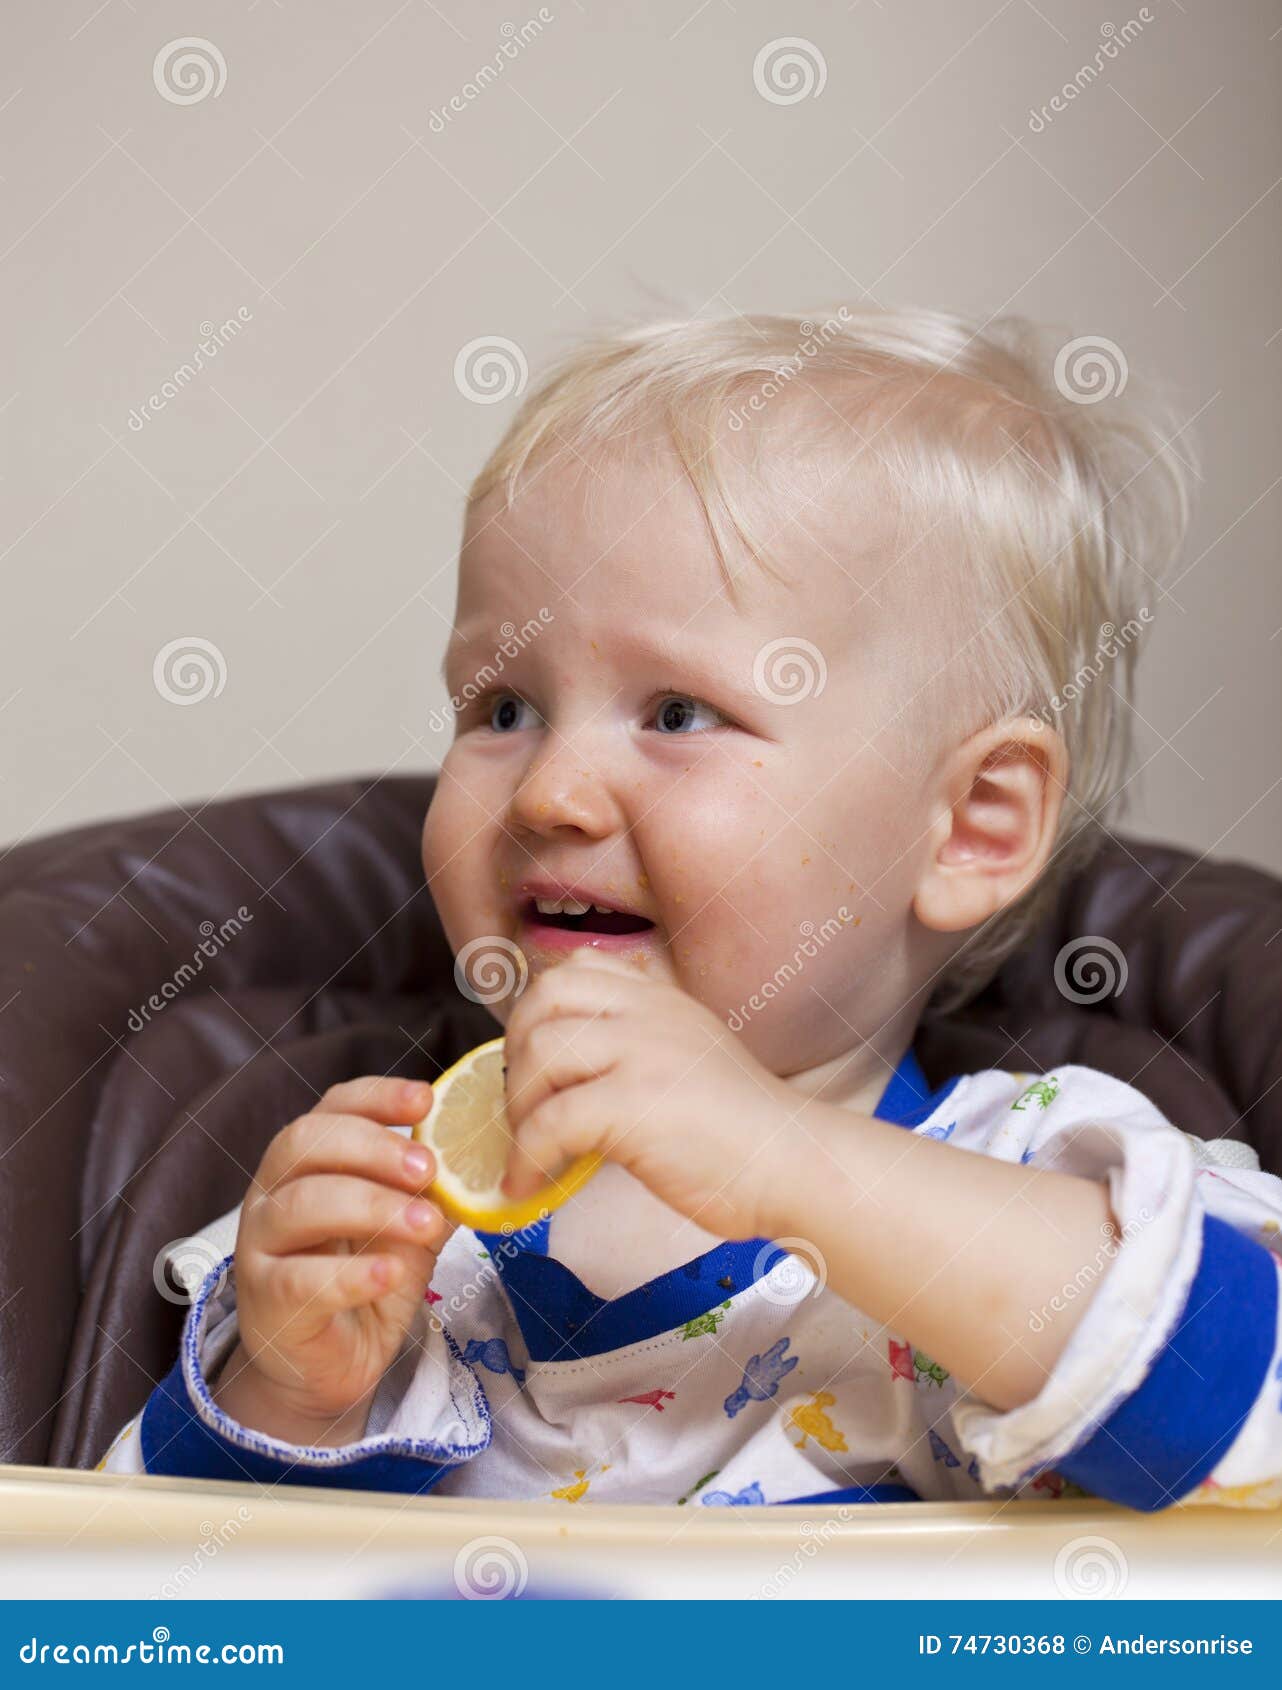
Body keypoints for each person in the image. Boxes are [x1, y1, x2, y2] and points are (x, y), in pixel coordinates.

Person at [101, 308, 1282, 1511]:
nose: (551, 791)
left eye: (677, 714)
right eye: (502, 707)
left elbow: (1245, 1422)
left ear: (971, 821)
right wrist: (283, 1398)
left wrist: (787, 1161)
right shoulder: (403, 1232)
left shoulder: (1028, 1174)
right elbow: (132, 1605)